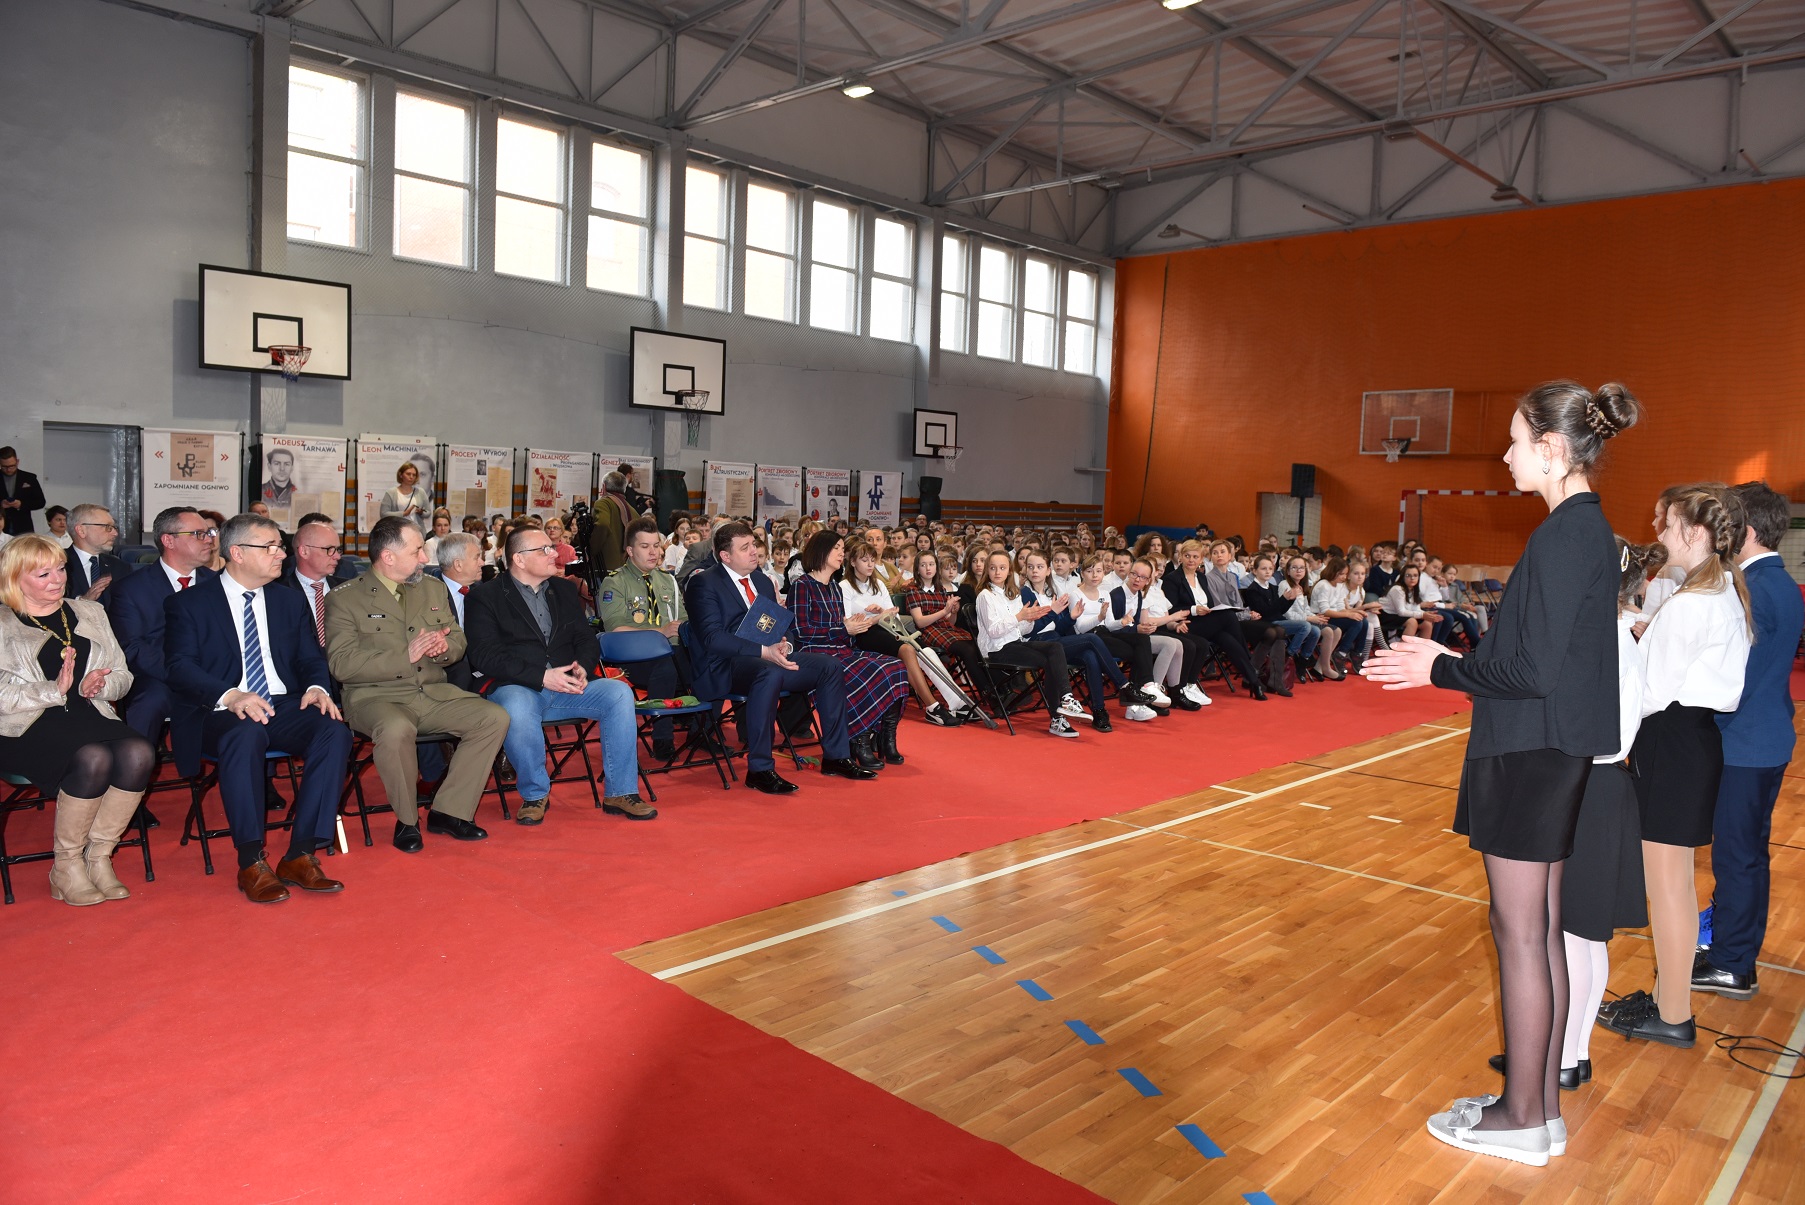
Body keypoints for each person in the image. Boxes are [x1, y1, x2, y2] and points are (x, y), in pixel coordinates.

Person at [1364, 379, 1639, 1167]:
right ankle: (1536, 1108)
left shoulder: (1563, 536)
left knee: (1519, 933)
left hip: (1529, 750)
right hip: (1551, 749)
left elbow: (1531, 670)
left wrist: (1440, 666)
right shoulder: (1587, 531)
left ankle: (1520, 1116)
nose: (1507, 455)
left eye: (1516, 441)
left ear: (1551, 449)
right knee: (1538, 929)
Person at [1491, 535, 1656, 1096]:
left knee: (1568, 935)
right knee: (1585, 937)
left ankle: (1559, 1055)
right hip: (1605, 786)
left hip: (1588, 787)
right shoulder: (1619, 637)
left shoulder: (1604, 643)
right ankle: (1572, 1051)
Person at [1602, 484, 1751, 1048]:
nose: (1660, 532)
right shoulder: (1719, 592)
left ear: (1694, 532)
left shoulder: (1692, 603)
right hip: (1691, 740)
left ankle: (1672, 1014)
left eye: (1669, 525)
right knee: (1676, 885)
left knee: (1667, 887)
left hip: (1671, 743)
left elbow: (1650, 692)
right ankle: (1671, 1001)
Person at [165, 513, 354, 903]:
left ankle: (301, 853)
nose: (281, 554)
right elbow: (179, 667)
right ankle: (250, 860)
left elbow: (310, 657)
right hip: (218, 710)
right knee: (245, 733)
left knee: (333, 729)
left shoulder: (288, 600)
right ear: (236, 553)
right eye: (270, 547)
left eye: (280, 547)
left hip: (279, 702)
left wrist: (317, 688)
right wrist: (230, 695)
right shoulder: (190, 603)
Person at [325, 515, 510, 852]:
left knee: (493, 718)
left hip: (432, 692)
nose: (425, 558)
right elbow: (341, 664)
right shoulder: (345, 598)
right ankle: (407, 821)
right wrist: (405, 656)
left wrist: (443, 648)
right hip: (375, 698)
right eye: (416, 551)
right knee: (396, 729)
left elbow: (457, 641)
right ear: (388, 556)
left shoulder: (432, 588)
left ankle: (449, 811)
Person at [1692, 482, 1804, 1002]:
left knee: (1737, 858)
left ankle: (1732, 963)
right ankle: (1735, 952)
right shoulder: (1779, 581)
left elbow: (1734, 680)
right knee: (1747, 855)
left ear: (1748, 532)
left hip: (1746, 743)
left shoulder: (1755, 588)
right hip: (1763, 739)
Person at [0, 535, 151, 906]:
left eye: (61, 569)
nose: (58, 580)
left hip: (87, 712)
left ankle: (98, 857)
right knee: (93, 757)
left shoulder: (90, 612)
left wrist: (98, 685)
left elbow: (123, 676)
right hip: (24, 723)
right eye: (43, 574)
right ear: (14, 578)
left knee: (139, 752)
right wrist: (53, 690)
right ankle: (66, 866)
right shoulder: (3, 623)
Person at [466, 525, 650, 826]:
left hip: (568, 684)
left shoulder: (563, 590)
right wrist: (542, 676)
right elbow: (484, 655)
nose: (554, 553)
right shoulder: (485, 597)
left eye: (552, 547)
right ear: (519, 559)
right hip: (519, 686)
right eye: (544, 549)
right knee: (516, 706)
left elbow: (585, 638)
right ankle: (535, 794)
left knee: (618, 693)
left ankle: (621, 792)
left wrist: (583, 667)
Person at [684, 522, 875, 792]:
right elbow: (713, 639)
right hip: (724, 666)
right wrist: (766, 652)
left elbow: (781, 624)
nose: (754, 551)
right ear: (725, 556)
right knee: (769, 671)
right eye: (745, 548)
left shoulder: (762, 581)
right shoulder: (703, 583)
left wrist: (786, 645)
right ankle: (760, 769)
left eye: (753, 544)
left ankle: (836, 756)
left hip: (767, 659)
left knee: (830, 666)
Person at [792, 533, 911, 769]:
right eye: (836, 548)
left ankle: (885, 736)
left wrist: (854, 626)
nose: (841, 553)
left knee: (895, 666)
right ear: (821, 551)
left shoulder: (834, 587)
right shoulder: (802, 586)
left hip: (841, 649)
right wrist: (844, 628)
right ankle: (859, 739)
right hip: (817, 655)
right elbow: (801, 631)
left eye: (841, 548)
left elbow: (842, 629)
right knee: (870, 671)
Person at [106, 507, 218, 753]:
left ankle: (256, 773)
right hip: (160, 676)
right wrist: (184, 674)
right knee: (149, 701)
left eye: (209, 532)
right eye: (198, 534)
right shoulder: (131, 589)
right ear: (169, 540)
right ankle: (132, 769)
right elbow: (133, 648)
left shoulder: (219, 584)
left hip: (214, 674)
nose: (209, 540)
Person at [1020, 551, 1153, 731]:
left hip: (1056, 640)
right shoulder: (1025, 593)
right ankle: (1125, 686)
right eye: (1030, 567)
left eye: (1039, 567)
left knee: (1091, 655)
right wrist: (1053, 612)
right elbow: (1028, 631)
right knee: (1092, 638)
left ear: (1048, 570)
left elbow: (1058, 628)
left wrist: (1070, 618)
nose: (1035, 571)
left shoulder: (1051, 593)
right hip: (1037, 643)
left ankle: (1099, 711)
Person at [597, 517, 690, 760]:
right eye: (645, 546)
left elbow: (683, 619)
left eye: (656, 545)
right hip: (634, 658)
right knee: (666, 666)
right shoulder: (615, 582)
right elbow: (615, 628)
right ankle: (662, 738)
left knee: (711, 659)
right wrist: (660, 632)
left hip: (674, 651)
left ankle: (703, 730)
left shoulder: (667, 579)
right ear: (630, 550)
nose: (653, 552)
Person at [839, 538, 953, 729]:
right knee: (907, 649)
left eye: (872, 560)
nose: (870, 564)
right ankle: (932, 707)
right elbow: (850, 623)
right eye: (864, 560)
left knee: (920, 649)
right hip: (863, 634)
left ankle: (949, 703)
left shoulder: (878, 584)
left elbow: (893, 614)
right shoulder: (845, 586)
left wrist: (881, 615)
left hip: (887, 628)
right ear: (852, 562)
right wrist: (877, 617)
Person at [974, 551, 1087, 739]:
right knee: (1050, 660)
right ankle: (1057, 717)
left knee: (1055, 648)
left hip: (1015, 644)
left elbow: (1023, 630)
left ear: (1009, 571)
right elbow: (994, 631)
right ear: (987, 570)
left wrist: (1030, 618)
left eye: (1002, 568)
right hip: (997, 650)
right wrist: (1020, 616)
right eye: (993, 568)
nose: (997, 572)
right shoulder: (985, 596)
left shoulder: (1012, 594)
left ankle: (1066, 699)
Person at [64, 504, 132, 606]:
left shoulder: (120, 567)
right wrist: (82, 601)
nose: (115, 533)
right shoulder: (57, 564)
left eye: (114, 527)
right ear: (81, 531)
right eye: (107, 527)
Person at [588, 472, 637, 575]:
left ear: (604, 487)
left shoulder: (603, 503)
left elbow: (602, 524)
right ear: (624, 489)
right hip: (629, 569)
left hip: (605, 568)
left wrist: (591, 549)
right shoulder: (633, 511)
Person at [0, 447, 47, 536]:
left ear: (17, 462)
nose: (8, 469)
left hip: (23, 526)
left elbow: (40, 502)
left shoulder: (29, 478)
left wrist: (21, 504)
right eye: (4, 467)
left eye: (12, 466)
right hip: (2, 526)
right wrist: (1, 505)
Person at [379, 462, 431, 531]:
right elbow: (383, 514)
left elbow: (428, 512)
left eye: (414, 475)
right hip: (397, 531)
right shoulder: (391, 492)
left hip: (417, 531)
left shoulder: (420, 492)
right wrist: (403, 513)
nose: (411, 477)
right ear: (401, 475)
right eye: (408, 474)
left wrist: (421, 512)